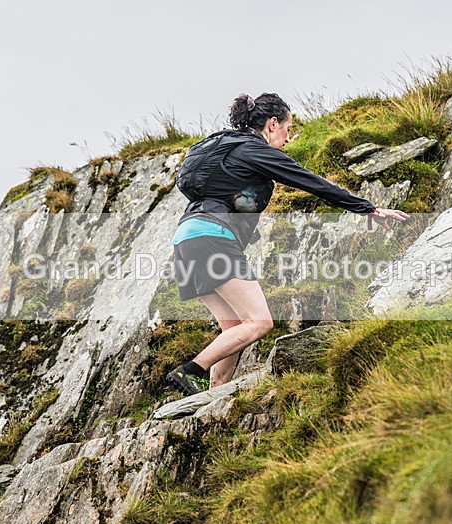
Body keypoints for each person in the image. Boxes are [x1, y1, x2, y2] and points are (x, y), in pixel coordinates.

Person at [166, 92, 409, 396]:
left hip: (186, 239)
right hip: (213, 238)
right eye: (287, 129)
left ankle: (210, 394)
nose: (288, 138)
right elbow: (309, 180)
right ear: (272, 124)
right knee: (260, 321)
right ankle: (191, 370)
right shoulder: (254, 150)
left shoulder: (226, 146)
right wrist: (367, 208)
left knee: (235, 328)